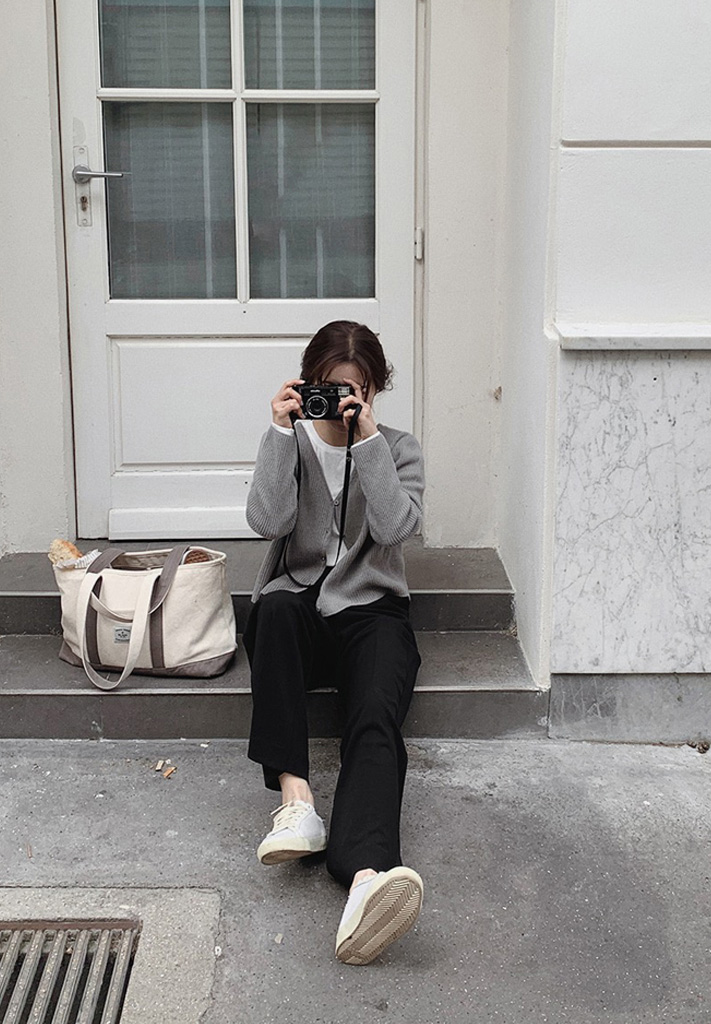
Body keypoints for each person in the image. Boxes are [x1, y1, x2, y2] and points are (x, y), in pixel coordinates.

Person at [243, 320, 425, 965]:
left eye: (356, 390)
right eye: (328, 388)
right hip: (299, 603)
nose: (341, 402)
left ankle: (367, 876)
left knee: (376, 710)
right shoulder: (291, 441)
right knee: (273, 612)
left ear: (374, 390)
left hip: (372, 608)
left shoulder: (397, 447)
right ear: (307, 384)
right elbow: (266, 522)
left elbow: (396, 528)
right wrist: (277, 433)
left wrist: (368, 441)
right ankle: (297, 804)